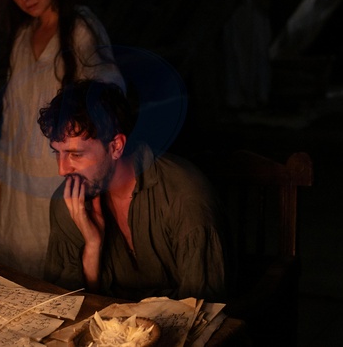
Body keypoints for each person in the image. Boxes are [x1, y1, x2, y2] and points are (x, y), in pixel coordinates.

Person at [0, 0, 125, 278]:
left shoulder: (79, 29)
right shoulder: (22, 39)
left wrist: (89, 179)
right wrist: (0, 180)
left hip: (60, 177)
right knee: (18, 277)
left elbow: (108, 104)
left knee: (61, 278)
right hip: (19, 185)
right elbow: (11, 117)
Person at [37, 80, 228, 301]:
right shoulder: (69, 201)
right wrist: (92, 249)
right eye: (57, 153)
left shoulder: (184, 197)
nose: (62, 170)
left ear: (116, 146)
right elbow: (63, 304)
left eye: (76, 154)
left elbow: (203, 308)